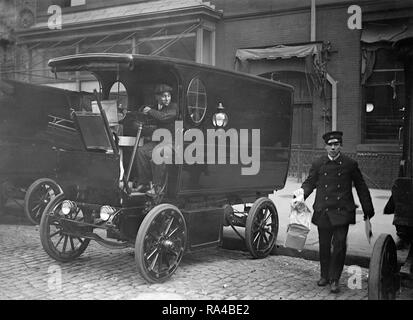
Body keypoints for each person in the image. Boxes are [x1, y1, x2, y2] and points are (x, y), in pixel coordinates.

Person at [293, 131, 375, 293]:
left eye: (336, 144)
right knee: (324, 245)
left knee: (339, 244)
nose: (333, 147)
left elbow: (361, 187)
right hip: (323, 210)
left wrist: (368, 208)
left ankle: (335, 279)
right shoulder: (318, 164)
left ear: (340, 146)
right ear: (325, 146)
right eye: (330, 145)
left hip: (342, 211)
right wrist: (301, 193)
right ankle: (324, 275)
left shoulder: (349, 164)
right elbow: (310, 182)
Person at [134, 84, 177, 196]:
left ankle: (157, 188)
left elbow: (163, 116)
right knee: (141, 151)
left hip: (172, 143)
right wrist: (143, 111)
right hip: (160, 142)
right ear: (157, 97)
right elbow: (147, 112)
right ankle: (144, 183)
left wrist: (150, 111)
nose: (167, 99)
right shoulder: (156, 107)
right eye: (163, 96)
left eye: (168, 96)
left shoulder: (174, 107)